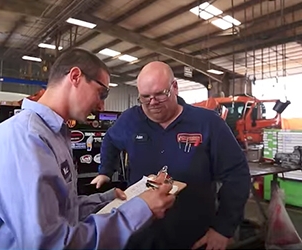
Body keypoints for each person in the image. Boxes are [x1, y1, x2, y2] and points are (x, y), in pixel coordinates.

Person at [0, 49, 176, 250]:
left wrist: (109, 199)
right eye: (101, 92)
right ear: (75, 76)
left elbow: (61, 210)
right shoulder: (24, 138)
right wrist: (140, 210)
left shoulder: (54, 134)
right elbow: (49, 243)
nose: (101, 105)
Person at [91, 61, 251, 249]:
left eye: (160, 94)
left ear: (174, 87)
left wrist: (223, 228)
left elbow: (237, 175)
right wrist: (105, 171)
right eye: (145, 97)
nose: (152, 103)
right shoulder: (130, 120)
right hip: (140, 233)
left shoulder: (208, 124)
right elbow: (110, 139)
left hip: (193, 235)